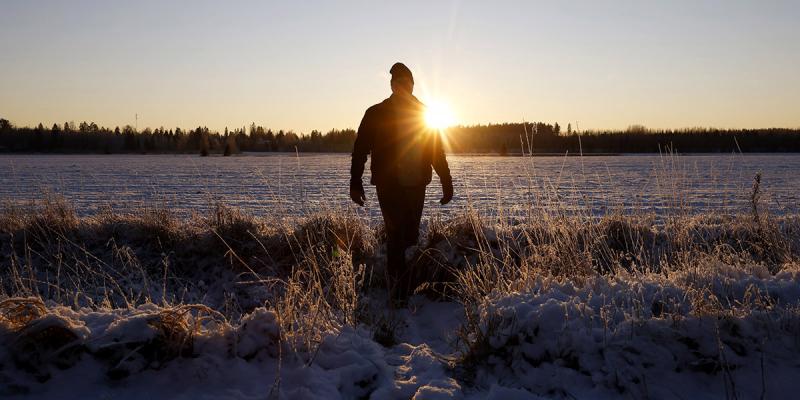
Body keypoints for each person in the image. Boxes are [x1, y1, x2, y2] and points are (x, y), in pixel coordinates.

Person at [350, 62, 453, 302]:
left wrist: (446, 181)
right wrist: (355, 181)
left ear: (412, 86)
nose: (402, 87)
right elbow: (360, 149)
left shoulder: (425, 113)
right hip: (389, 184)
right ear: (392, 85)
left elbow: (437, 151)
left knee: (410, 236)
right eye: (398, 82)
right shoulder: (376, 113)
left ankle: (405, 284)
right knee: (396, 236)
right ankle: (397, 294)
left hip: (417, 184)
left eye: (406, 82)